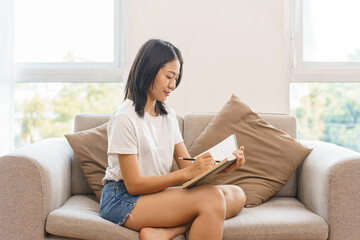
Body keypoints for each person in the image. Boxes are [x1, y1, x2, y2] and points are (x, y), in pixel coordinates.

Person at [99, 39, 246, 240]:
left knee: (237, 194)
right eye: (169, 76)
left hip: (157, 193)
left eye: (176, 78)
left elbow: (187, 164)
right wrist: (187, 172)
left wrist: (220, 165)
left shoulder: (168, 114)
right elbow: (134, 185)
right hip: (123, 198)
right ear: (148, 70)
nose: (173, 85)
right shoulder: (125, 117)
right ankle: (170, 228)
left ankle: (166, 231)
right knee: (212, 198)